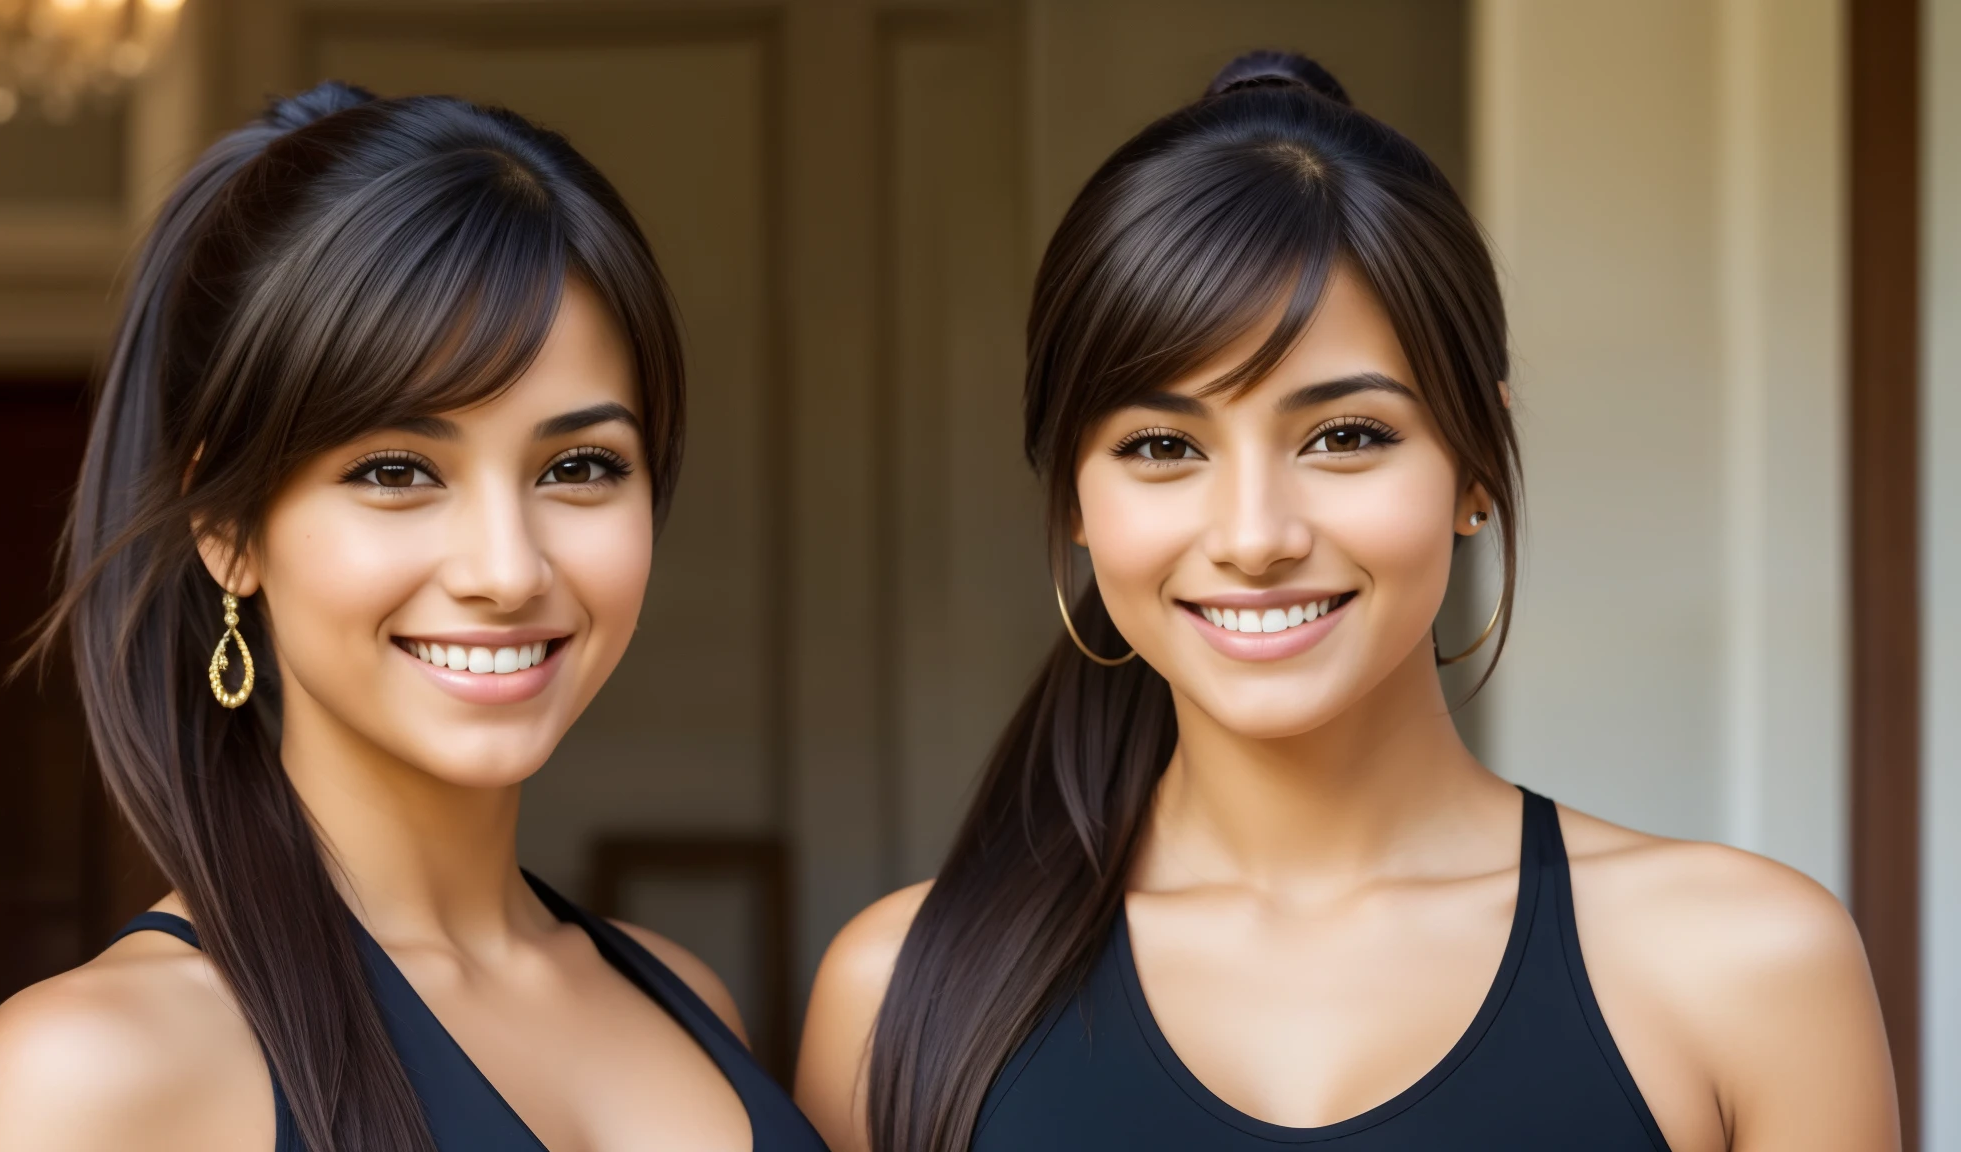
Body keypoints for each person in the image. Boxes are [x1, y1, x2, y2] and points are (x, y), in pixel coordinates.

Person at [794, 52, 1898, 1152]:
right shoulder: (895, 1001)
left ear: (1473, 461)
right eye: (1162, 446)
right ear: (1074, 500)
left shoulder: (1746, 971)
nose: (1253, 537)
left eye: (1344, 436)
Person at [0, 83, 824, 1152]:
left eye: (579, 466)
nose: (505, 568)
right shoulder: (90, 1078)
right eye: (396, 470)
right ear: (228, 528)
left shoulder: (684, 998)